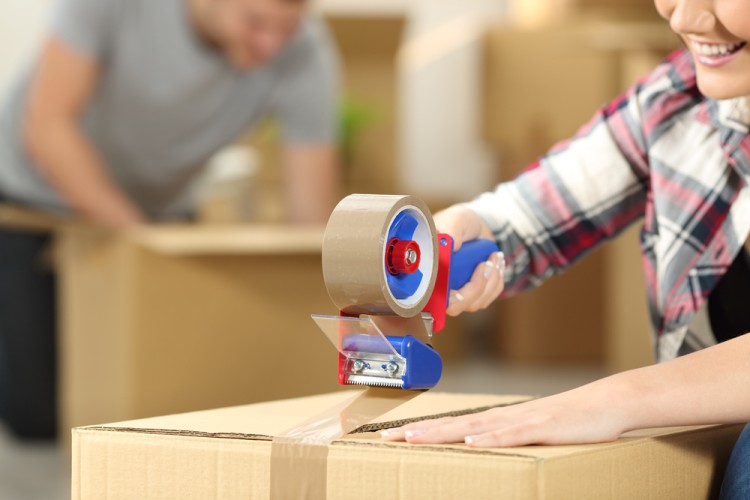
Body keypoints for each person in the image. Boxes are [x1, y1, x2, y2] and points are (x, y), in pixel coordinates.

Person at [381, 0, 750, 497]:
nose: (684, 17)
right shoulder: (678, 98)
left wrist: (619, 398)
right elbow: (534, 214)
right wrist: (457, 240)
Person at [0, 0, 340, 438]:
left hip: (160, 214)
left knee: (161, 399)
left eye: (285, 30)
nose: (271, 45)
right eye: (255, 23)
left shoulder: (305, 50)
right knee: (38, 416)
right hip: (34, 202)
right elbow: (48, 128)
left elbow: (310, 221)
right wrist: (142, 241)